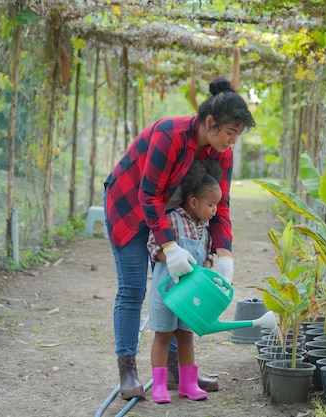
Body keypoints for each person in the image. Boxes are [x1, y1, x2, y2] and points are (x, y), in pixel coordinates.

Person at [103, 77, 256, 399]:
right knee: (132, 290)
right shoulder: (170, 133)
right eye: (230, 133)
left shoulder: (220, 152)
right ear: (210, 122)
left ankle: (175, 371)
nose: (232, 142)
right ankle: (127, 369)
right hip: (130, 207)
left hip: (170, 212)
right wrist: (170, 247)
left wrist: (225, 252)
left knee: (180, 284)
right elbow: (149, 195)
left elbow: (220, 203)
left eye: (237, 136)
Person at [147, 160, 222, 403]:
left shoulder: (205, 227)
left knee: (186, 336)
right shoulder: (171, 219)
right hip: (168, 291)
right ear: (193, 202)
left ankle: (188, 384)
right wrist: (169, 255)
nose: (214, 211)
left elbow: (209, 254)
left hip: (192, 296)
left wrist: (209, 269)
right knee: (163, 336)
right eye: (211, 205)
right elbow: (153, 247)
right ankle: (159, 386)